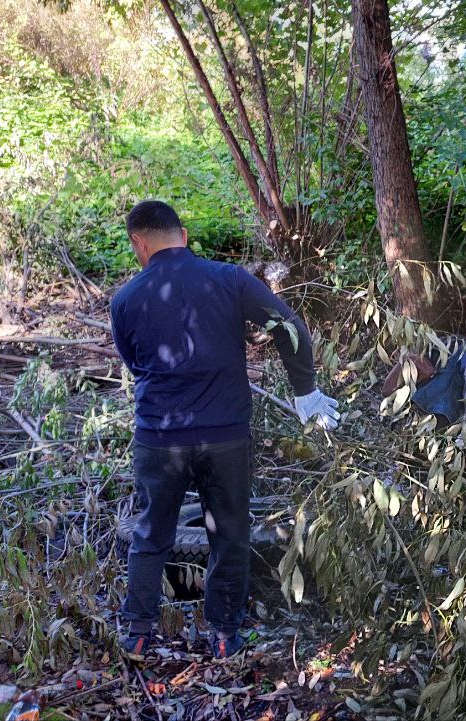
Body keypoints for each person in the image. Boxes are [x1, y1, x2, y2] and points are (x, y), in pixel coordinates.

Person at [110, 200, 341, 660]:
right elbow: (289, 326)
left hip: (159, 438)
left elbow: (133, 362)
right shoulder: (230, 279)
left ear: (139, 242)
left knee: (151, 531)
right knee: (229, 533)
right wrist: (305, 392)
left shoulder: (126, 299)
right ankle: (224, 636)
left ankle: (136, 633)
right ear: (185, 234)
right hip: (226, 436)